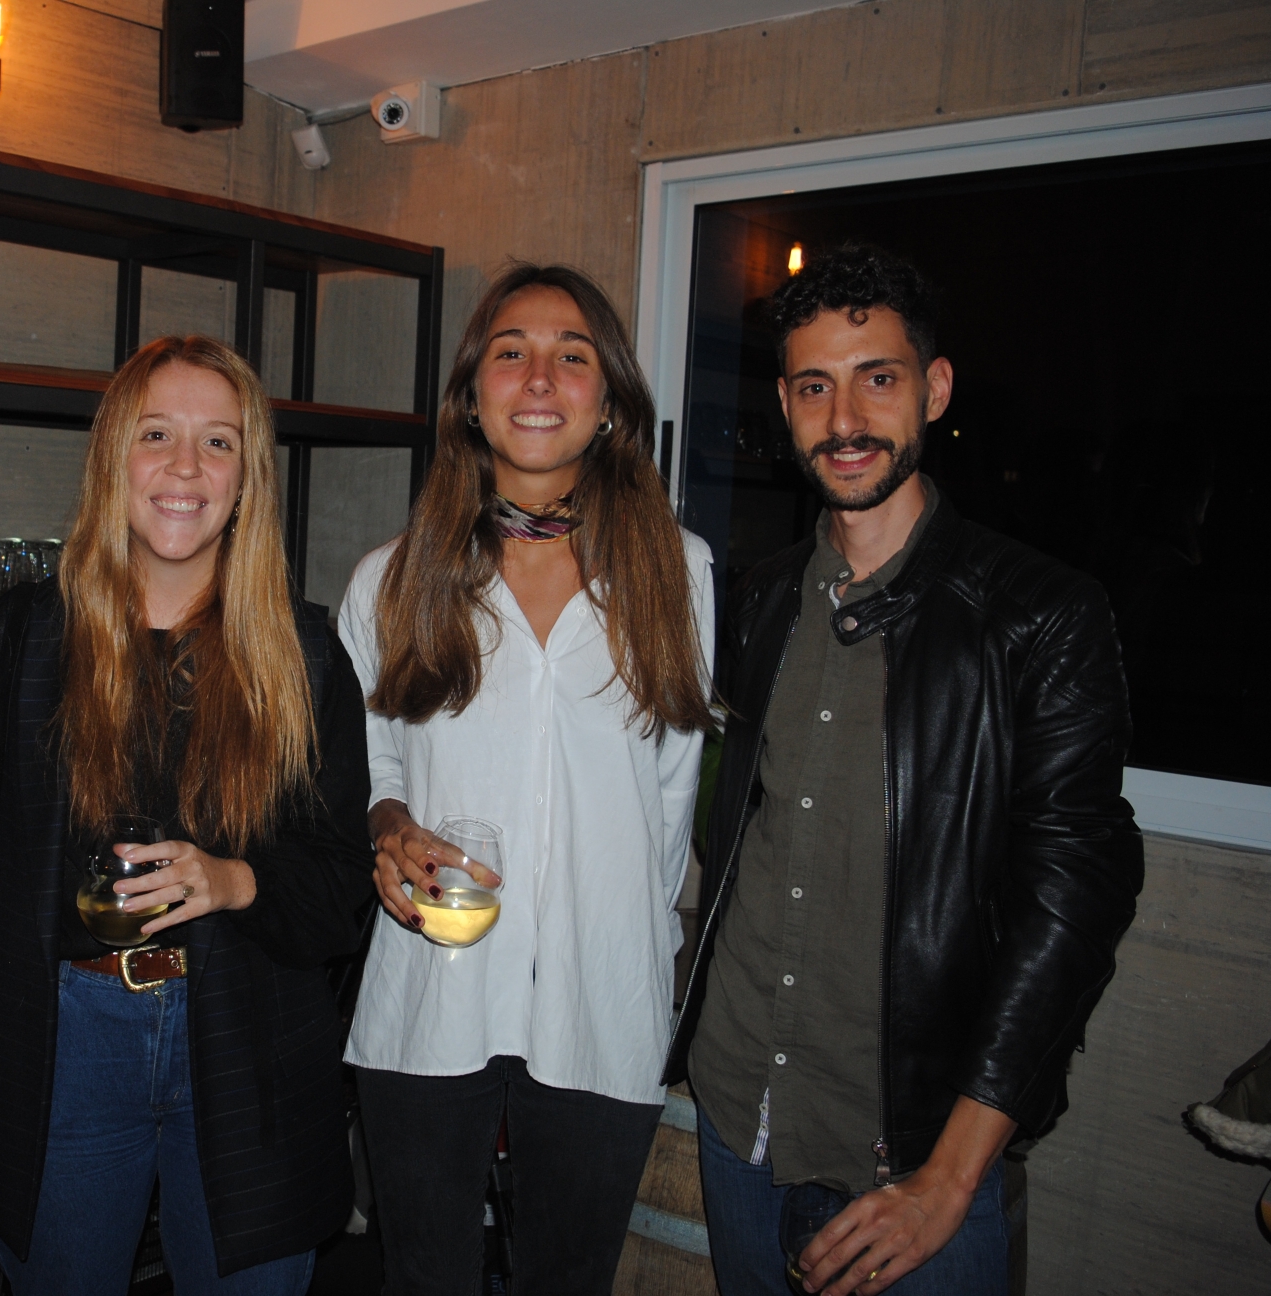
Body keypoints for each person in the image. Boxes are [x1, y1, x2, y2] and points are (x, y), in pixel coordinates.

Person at [665, 242, 1145, 1295]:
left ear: (931, 388)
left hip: (915, 1160)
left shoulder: (1040, 616)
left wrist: (949, 1180)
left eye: (875, 378)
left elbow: (1070, 911)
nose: (843, 420)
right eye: (812, 386)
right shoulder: (759, 598)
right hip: (739, 1111)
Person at [0, 334, 375, 1295]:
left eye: (218, 443)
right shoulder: (27, 636)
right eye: (157, 435)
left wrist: (233, 880)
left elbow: (339, 881)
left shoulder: (305, 654)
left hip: (248, 1035)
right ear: (115, 459)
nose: (186, 468)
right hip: (67, 1037)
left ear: (247, 476)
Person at [338, 263, 717, 1295]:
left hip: (606, 1003)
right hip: (430, 993)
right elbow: (368, 764)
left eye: (571, 355)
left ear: (609, 402)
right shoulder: (392, 576)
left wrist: (653, 961)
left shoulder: (677, 573)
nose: (538, 376)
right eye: (509, 351)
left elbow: (673, 797)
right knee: (425, 1278)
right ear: (471, 395)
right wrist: (387, 827)